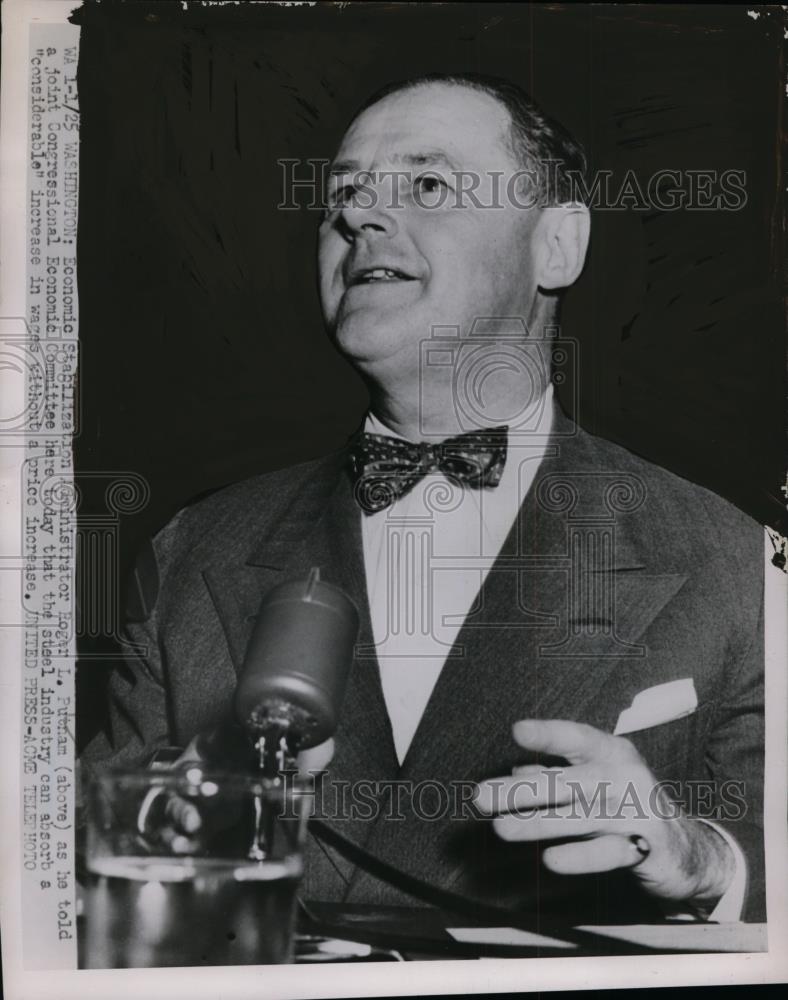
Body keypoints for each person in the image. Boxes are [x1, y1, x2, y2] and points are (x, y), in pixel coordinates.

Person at [81, 73, 765, 927]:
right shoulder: (192, 549)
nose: (358, 217)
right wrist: (164, 823)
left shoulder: (739, 562)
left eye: (429, 184)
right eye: (343, 195)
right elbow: (66, 870)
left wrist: (703, 861)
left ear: (557, 246)